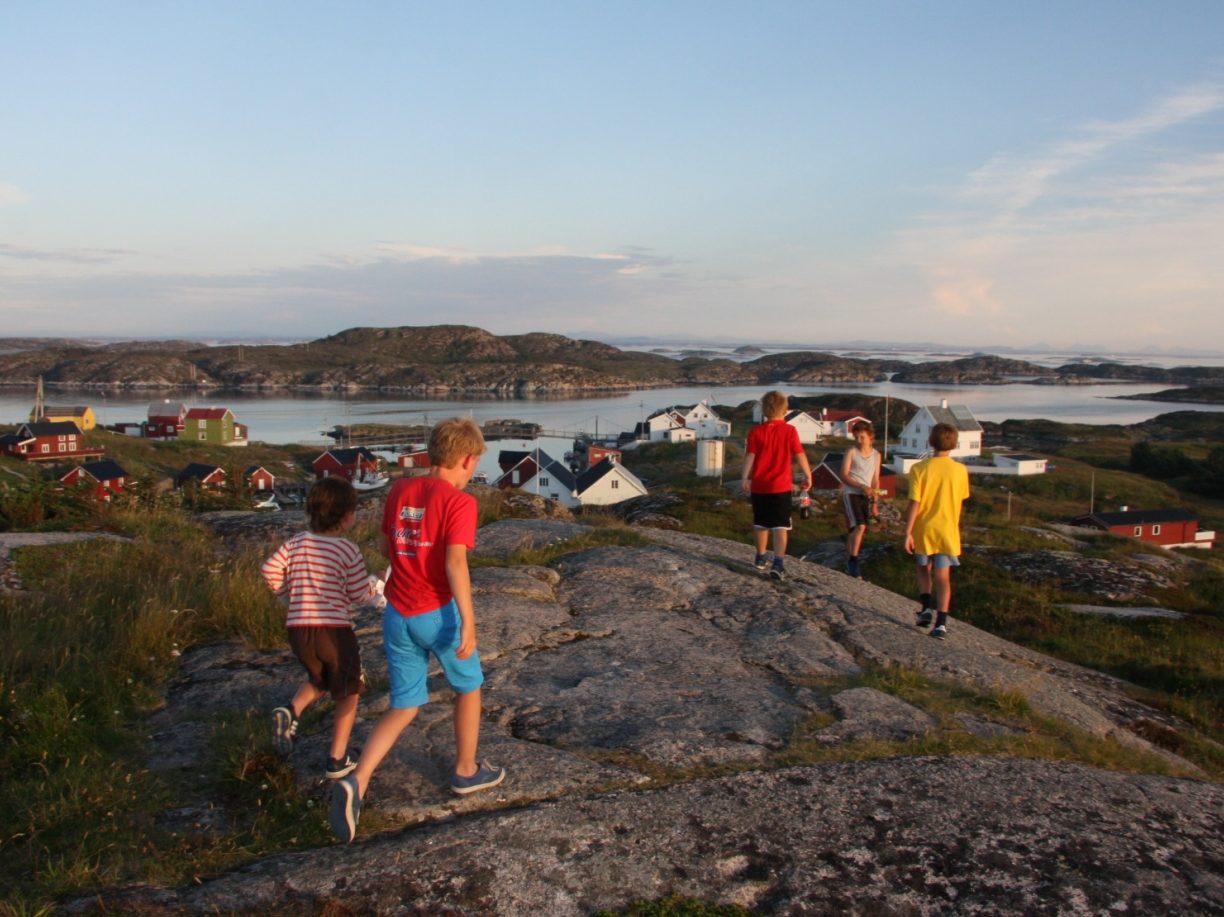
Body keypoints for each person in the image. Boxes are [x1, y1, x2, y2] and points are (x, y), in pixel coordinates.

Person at [330, 417, 505, 843]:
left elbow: (388, 546)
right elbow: (455, 563)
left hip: (397, 615)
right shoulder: (460, 503)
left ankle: (359, 781)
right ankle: (466, 770)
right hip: (438, 614)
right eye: (474, 463)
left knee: (404, 703)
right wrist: (469, 622)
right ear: (467, 459)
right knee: (468, 685)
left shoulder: (401, 490)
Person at [262, 476, 375, 781]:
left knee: (320, 677)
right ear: (347, 516)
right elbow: (358, 594)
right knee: (349, 691)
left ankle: (292, 710)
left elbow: (269, 569)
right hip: (334, 631)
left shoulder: (296, 542)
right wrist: (377, 592)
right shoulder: (348, 551)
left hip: (299, 630)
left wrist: (286, 596)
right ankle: (336, 759)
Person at [904, 422, 970, 639]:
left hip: (924, 529)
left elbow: (915, 502)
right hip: (947, 531)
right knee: (943, 577)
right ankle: (941, 624)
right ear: (954, 443)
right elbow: (960, 501)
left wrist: (908, 532)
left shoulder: (919, 469)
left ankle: (925, 609)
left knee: (923, 569)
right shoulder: (960, 471)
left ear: (931, 441)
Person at [741, 391, 813, 581]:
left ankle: (760, 556)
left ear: (764, 411)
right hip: (780, 487)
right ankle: (778, 563)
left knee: (761, 524)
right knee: (780, 527)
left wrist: (744, 478)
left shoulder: (756, 432)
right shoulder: (789, 431)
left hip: (759, 486)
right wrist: (808, 474)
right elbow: (799, 454)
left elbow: (750, 456)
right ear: (785, 410)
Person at [840, 419, 881, 579]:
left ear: (870, 436)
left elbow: (876, 479)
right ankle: (853, 562)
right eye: (856, 437)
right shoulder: (851, 452)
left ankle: (849, 560)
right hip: (851, 492)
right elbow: (843, 475)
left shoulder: (876, 455)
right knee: (860, 526)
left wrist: (875, 502)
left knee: (855, 529)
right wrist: (860, 486)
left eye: (862, 437)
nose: (859, 441)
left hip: (866, 495)